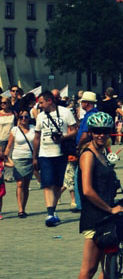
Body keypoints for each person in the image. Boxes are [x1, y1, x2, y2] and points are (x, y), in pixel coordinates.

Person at [76, 112, 123, 279]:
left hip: (107, 216)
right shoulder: (88, 155)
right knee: (89, 269)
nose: (100, 135)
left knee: (109, 269)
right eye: (96, 131)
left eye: (105, 131)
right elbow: (87, 190)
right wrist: (109, 209)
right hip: (94, 217)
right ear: (90, 132)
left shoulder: (103, 152)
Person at [32, 90, 77, 227]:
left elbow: (75, 130)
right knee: (47, 184)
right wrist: (34, 157)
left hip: (61, 153)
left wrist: (63, 137)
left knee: (57, 184)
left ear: (49, 101)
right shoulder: (40, 116)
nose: (40, 106)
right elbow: (37, 137)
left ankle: (53, 210)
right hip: (45, 154)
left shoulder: (65, 112)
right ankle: (50, 213)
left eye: (41, 103)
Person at [4, 108, 36, 217]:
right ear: (18, 118)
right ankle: (20, 209)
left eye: (26, 117)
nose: (23, 119)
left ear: (29, 118)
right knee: (20, 183)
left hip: (30, 158)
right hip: (18, 158)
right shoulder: (15, 130)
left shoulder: (33, 128)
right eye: (21, 117)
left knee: (26, 185)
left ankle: (24, 206)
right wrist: (4, 157)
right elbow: (9, 146)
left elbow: (37, 144)